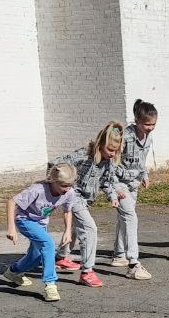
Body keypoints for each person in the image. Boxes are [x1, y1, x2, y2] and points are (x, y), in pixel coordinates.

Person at [50, 122, 137, 288]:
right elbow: (54, 163)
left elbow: (107, 181)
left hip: (86, 200)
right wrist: (60, 185)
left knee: (76, 228)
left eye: (116, 151)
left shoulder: (108, 162)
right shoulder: (83, 155)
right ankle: (87, 272)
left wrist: (112, 196)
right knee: (90, 229)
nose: (112, 154)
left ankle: (60, 257)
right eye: (110, 149)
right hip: (74, 196)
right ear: (100, 144)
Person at [3, 163, 81, 303]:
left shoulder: (69, 192)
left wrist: (68, 231)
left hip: (41, 223)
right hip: (25, 220)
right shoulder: (38, 189)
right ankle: (50, 285)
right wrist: (11, 228)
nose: (67, 189)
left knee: (36, 256)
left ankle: (13, 272)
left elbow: (67, 211)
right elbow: (11, 202)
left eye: (69, 185)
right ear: (53, 181)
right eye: (63, 185)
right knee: (48, 244)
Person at [114, 98, 157, 280]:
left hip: (134, 183)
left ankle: (118, 254)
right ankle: (133, 263)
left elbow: (142, 159)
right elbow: (111, 158)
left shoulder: (148, 137)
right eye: (147, 124)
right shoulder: (124, 136)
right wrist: (114, 186)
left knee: (124, 217)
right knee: (130, 217)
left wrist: (144, 175)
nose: (150, 128)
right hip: (119, 182)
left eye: (153, 124)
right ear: (137, 121)